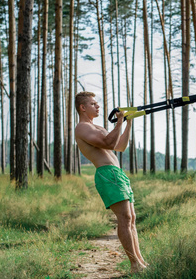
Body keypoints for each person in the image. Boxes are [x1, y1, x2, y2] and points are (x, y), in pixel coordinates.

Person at [74, 91, 147, 273]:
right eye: (93, 104)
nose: (98, 106)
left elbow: (119, 146)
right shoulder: (82, 128)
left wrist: (128, 123)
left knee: (131, 219)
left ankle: (140, 262)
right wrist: (120, 122)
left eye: (97, 103)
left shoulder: (97, 127)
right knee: (124, 218)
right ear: (83, 108)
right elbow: (107, 143)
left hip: (117, 173)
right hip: (107, 174)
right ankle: (134, 264)